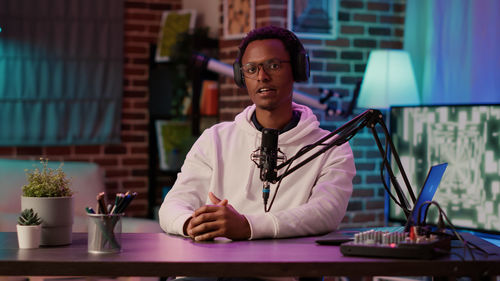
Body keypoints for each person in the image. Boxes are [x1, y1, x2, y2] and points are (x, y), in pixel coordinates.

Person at [158, 26, 355, 242]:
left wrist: (247, 226)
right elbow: (172, 205)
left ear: (298, 70)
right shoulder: (214, 139)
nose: (262, 76)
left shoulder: (331, 148)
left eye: (273, 65)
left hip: (282, 272)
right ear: (241, 77)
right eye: (251, 69)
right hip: (213, 268)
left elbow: (325, 213)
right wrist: (191, 223)